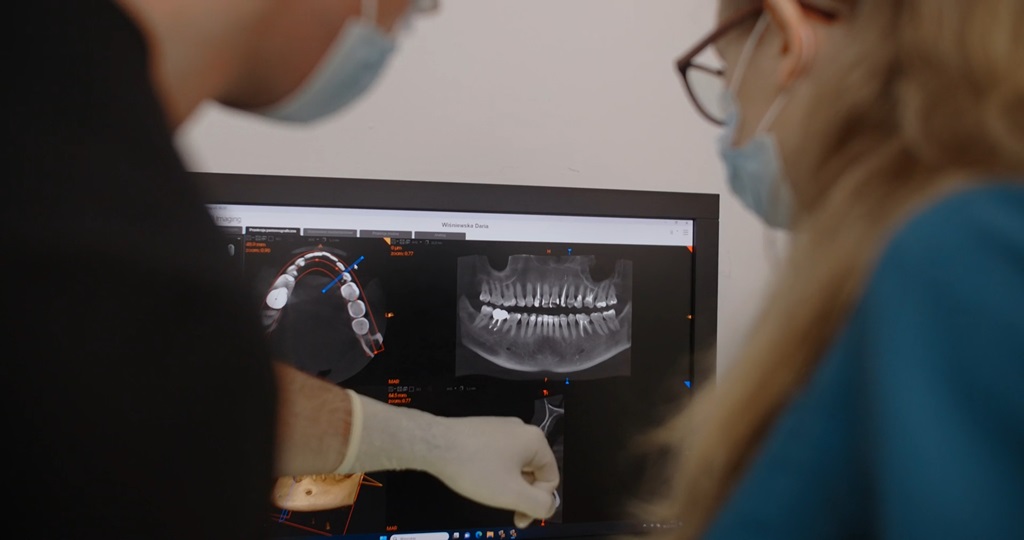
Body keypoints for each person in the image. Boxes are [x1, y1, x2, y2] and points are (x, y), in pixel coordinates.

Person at [7, 0, 557, 537]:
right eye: (416, 6)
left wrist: (429, 442)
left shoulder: (54, 131)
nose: (398, 29)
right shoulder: (103, 236)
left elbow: (133, 393)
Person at [647, 0, 1024, 538]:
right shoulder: (900, 271)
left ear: (784, 36)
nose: (730, 136)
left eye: (725, 84)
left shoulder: (957, 257)